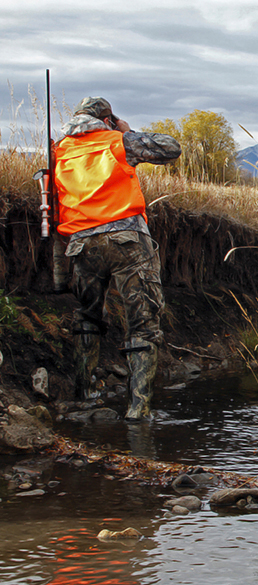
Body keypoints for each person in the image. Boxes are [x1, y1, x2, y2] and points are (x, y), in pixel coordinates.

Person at [54, 97, 181, 421]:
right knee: (142, 324)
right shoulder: (116, 140)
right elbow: (171, 148)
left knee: (87, 317)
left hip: (81, 244)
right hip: (126, 240)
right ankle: (139, 411)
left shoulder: (61, 150)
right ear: (106, 119)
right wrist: (127, 130)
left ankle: (86, 398)